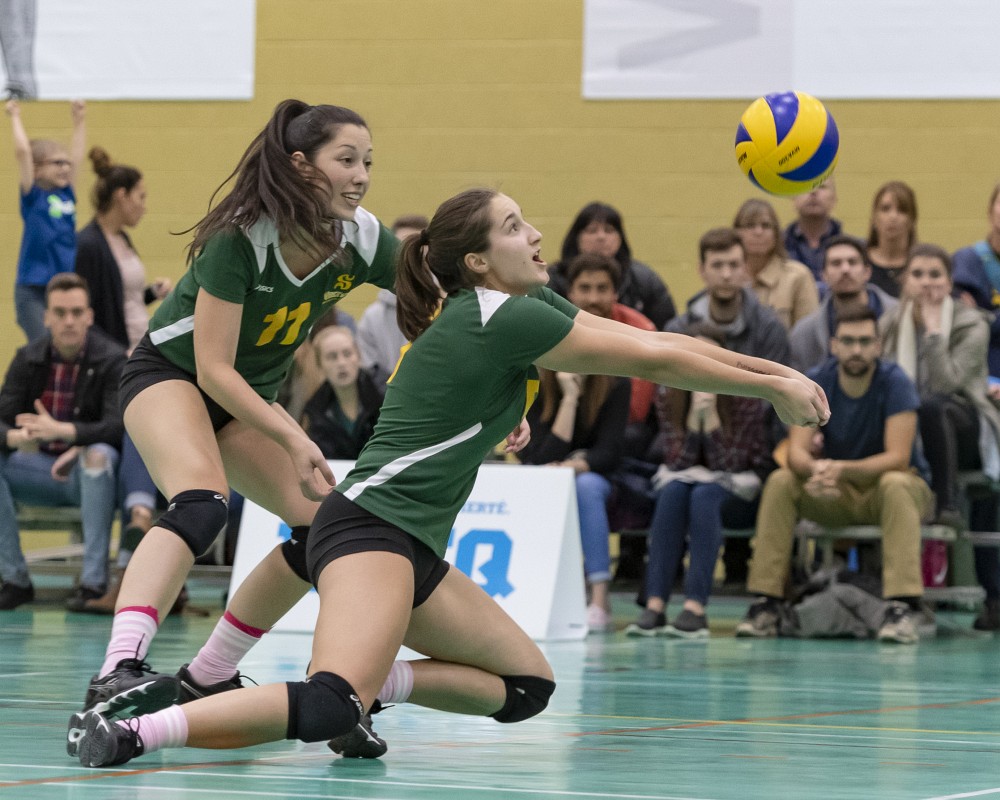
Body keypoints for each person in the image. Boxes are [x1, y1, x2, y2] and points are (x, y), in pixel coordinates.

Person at [71, 187, 828, 769]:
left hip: (399, 540)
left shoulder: (518, 309)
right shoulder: (502, 315)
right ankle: (134, 729)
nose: (535, 236)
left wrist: (778, 370)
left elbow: (656, 338)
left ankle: (331, 684)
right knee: (328, 699)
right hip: (374, 533)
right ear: (476, 262)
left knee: (527, 687)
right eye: (513, 227)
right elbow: (654, 360)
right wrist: (773, 386)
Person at [65, 100, 408, 753]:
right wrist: (292, 432)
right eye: (346, 160)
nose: (361, 175)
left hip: (241, 398)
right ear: (301, 166)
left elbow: (435, 290)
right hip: (172, 375)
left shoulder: (360, 237)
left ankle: (214, 673)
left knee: (327, 530)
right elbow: (214, 370)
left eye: (368, 161)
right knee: (201, 503)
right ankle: (118, 666)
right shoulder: (243, 238)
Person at [736, 306, 933, 644]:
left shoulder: (896, 382)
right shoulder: (816, 380)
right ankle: (766, 602)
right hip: (832, 489)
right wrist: (817, 470)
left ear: (878, 345)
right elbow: (796, 451)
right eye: (849, 341)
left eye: (865, 341)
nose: (856, 349)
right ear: (834, 345)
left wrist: (839, 469)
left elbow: (898, 458)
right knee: (782, 482)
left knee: (896, 484)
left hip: (886, 492)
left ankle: (902, 607)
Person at [72, 146, 174, 614]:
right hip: (121, 364)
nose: (145, 205)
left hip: (136, 353)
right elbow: (94, 315)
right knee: (141, 432)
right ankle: (138, 519)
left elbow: (124, 302)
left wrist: (154, 293)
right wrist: (123, 356)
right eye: (141, 196)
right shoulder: (90, 245)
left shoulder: (122, 241)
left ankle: (140, 538)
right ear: (119, 196)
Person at [626, 323, 775, 638]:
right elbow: (677, 462)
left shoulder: (746, 395)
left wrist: (713, 425)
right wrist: (695, 425)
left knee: (704, 495)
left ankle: (696, 607)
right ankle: (655, 605)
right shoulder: (669, 393)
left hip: (740, 490)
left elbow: (733, 464)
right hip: (687, 482)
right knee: (674, 493)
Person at [667, 227, 791, 586]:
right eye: (717, 264)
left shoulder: (769, 329)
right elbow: (669, 398)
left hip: (750, 454)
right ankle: (658, 596)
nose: (725, 273)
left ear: (745, 270)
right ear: (701, 270)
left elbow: (775, 400)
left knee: (710, 493)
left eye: (733, 264)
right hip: (690, 451)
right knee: (676, 489)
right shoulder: (678, 328)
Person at [879, 244, 1000, 608]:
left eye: (936, 275)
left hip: (967, 426)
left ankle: (944, 502)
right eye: (917, 275)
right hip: (908, 428)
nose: (926, 283)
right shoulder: (889, 324)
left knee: (933, 407)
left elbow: (946, 385)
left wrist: (933, 332)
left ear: (949, 283)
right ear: (904, 282)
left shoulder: (972, 323)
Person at [0, 273, 124, 610]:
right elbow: (3, 417)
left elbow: (119, 425)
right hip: (37, 468)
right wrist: (14, 437)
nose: (68, 321)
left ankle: (93, 583)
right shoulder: (27, 358)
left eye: (76, 312)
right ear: (46, 317)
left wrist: (68, 434)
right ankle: (14, 578)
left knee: (99, 456)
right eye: (59, 312)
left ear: (89, 316)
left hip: (88, 475)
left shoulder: (112, 359)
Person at [518, 366, 631, 632]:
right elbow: (538, 456)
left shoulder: (615, 383)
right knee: (537, 485)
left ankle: (600, 596)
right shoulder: (535, 380)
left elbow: (609, 453)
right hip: (547, 477)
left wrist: (570, 467)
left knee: (586, 487)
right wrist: (569, 399)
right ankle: (532, 592)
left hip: (597, 478)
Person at [6, 98, 86, 342]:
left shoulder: (67, 193)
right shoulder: (33, 196)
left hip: (62, 286)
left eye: (66, 163)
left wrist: (79, 121)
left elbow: (78, 154)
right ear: (37, 168)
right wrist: (14, 116)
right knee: (42, 345)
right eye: (57, 163)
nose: (65, 167)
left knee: (66, 347)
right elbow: (22, 152)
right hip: (33, 288)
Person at [548, 201, 676, 329]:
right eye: (592, 230)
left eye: (609, 230)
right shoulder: (552, 278)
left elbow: (667, 328)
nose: (601, 237)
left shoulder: (644, 279)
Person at [789, 235, 899, 372]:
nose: (845, 269)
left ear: (867, 272)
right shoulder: (804, 333)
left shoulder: (900, 317)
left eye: (852, 262)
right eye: (836, 263)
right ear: (824, 275)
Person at [356, 214, 427, 390]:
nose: (410, 253)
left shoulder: (451, 305)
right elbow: (370, 373)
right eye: (401, 245)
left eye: (417, 245)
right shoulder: (372, 318)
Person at [300, 325, 384, 459]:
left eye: (347, 354)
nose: (341, 363)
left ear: (358, 357)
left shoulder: (385, 397)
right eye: (332, 357)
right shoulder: (314, 412)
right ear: (320, 365)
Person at [733, 197, 818, 330]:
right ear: (736, 232)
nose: (758, 232)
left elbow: (808, 335)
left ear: (776, 233)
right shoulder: (728, 275)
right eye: (750, 225)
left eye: (766, 226)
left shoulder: (797, 276)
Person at [952, 181, 1000, 381]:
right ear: (990, 211)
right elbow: (963, 324)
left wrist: (983, 316)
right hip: (979, 374)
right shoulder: (967, 261)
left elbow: (978, 321)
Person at [783, 178, 843, 285]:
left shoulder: (849, 248)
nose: (813, 192)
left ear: (834, 199)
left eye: (822, 187)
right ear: (793, 197)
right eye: (805, 186)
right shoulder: (778, 247)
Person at [865, 180, 919, 299]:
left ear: (912, 219)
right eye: (885, 209)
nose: (893, 216)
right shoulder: (859, 262)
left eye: (902, 210)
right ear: (874, 217)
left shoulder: (921, 265)